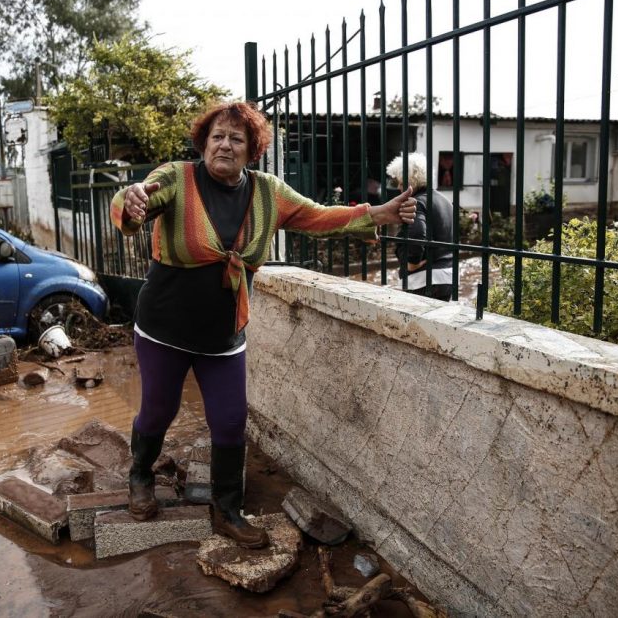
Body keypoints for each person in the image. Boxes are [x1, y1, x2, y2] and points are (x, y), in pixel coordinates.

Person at [111, 101, 417, 548]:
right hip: (164, 330)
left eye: (237, 138)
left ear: (252, 149)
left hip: (223, 335)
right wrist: (130, 200)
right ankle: (140, 476)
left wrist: (377, 214)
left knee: (231, 422)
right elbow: (137, 200)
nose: (225, 145)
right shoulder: (178, 177)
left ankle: (228, 509)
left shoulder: (268, 191)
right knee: (159, 409)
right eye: (217, 136)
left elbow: (318, 216)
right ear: (204, 142)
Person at [386, 153, 454, 302]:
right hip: (448, 276)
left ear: (410, 180)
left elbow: (417, 234)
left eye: (400, 182)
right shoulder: (445, 200)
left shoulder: (415, 202)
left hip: (423, 278)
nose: (398, 186)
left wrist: (411, 263)